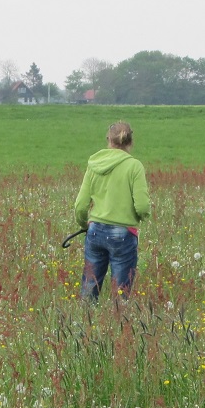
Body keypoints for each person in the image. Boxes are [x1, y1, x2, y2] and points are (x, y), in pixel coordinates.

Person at [74, 121, 151, 302]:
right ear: (131, 141)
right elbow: (142, 206)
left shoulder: (94, 164)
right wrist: (141, 217)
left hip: (95, 231)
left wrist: (83, 223)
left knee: (88, 290)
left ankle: (84, 325)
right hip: (123, 233)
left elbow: (80, 205)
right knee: (121, 293)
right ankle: (117, 325)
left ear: (108, 139)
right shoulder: (134, 166)